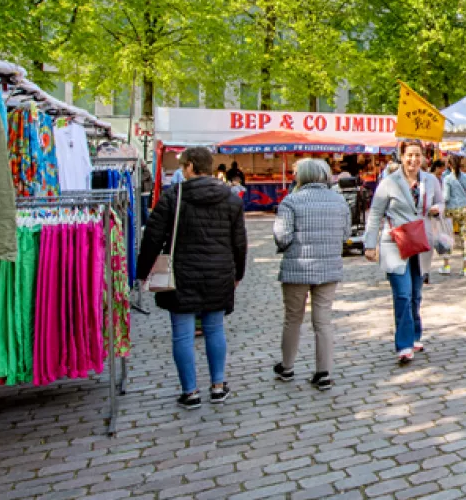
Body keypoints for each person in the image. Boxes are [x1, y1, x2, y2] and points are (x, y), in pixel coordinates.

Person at [137, 146, 247, 408]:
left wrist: (142, 272)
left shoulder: (173, 196)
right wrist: (238, 272)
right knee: (215, 329)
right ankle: (218, 386)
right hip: (219, 272)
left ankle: (190, 392)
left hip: (181, 273)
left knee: (183, 335)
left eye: (182, 166)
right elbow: (239, 242)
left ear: (189, 167)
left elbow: (152, 237)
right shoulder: (230, 198)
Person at [272, 159, 351, 391]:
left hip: (296, 268)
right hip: (328, 268)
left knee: (293, 318)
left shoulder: (291, 201)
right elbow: (346, 233)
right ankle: (324, 372)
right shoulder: (339, 201)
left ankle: (287, 367)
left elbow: (282, 236)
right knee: (323, 321)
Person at [365, 139, 444, 365]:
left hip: (420, 242)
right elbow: (375, 214)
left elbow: (442, 203)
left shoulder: (430, 180)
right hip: (395, 244)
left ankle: (415, 334)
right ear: (401, 157)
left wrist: (438, 209)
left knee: (416, 294)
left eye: (417, 155)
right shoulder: (389, 183)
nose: (413, 159)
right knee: (402, 294)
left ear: (424, 157)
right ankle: (404, 344)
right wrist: (370, 244)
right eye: (409, 155)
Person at [441, 156, 466, 277]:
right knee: (465, 237)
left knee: (447, 237)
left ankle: (446, 265)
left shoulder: (447, 179)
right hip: (465, 209)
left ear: (449, 165)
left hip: (451, 210)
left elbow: (446, 197)